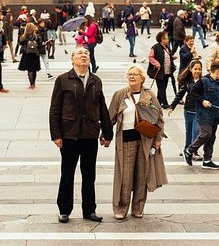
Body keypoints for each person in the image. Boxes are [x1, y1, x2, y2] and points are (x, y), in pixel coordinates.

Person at [49, 46, 113, 224]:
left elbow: (102, 107)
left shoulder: (95, 80)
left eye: (86, 53)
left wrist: (107, 133)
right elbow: (54, 109)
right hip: (69, 134)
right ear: (72, 59)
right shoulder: (63, 80)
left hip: (90, 134)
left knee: (89, 175)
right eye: (80, 54)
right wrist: (56, 134)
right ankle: (64, 209)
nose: (84, 56)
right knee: (67, 173)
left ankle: (89, 210)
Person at [108, 64, 167, 220]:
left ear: (142, 78)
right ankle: (121, 208)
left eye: (135, 74)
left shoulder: (149, 95)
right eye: (129, 74)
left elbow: (159, 117)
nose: (132, 77)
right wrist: (105, 135)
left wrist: (158, 138)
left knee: (142, 176)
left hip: (145, 139)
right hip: (126, 140)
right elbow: (110, 118)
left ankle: (138, 207)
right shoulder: (120, 95)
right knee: (125, 176)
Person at [183, 61, 219, 170]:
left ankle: (207, 160)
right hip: (203, 114)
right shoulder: (203, 82)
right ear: (217, 71)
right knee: (206, 134)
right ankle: (189, 150)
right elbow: (193, 93)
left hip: (215, 115)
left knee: (211, 137)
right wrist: (202, 101)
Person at [169, 59, 203, 161]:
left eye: (199, 69)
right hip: (188, 110)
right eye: (195, 69)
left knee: (196, 132)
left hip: (198, 111)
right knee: (189, 131)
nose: (197, 71)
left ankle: (193, 151)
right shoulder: (187, 82)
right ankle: (187, 149)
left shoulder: (203, 81)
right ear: (191, 69)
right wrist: (172, 106)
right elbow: (180, 94)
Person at [147, 31, 172, 109]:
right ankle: (165, 103)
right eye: (166, 38)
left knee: (163, 87)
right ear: (162, 39)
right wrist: (156, 63)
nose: (168, 40)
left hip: (167, 71)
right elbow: (150, 57)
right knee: (161, 88)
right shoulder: (155, 47)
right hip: (159, 71)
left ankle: (158, 101)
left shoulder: (167, 47)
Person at [18, 22, 43, 88]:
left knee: (29, 70)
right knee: (34, 70)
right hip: (35, 55)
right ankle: (33, 83)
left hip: (27, 54)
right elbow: (40, 45)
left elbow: (20, 43)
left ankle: (31, 84)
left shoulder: (24, 36)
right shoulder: (37, 36)